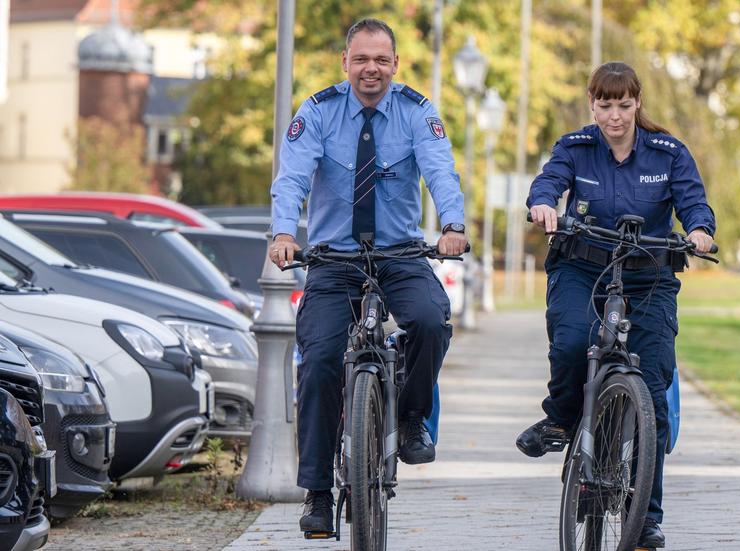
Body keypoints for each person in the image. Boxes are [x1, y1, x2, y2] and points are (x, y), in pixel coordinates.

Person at [268, 18, 468, 535]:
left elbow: (441, 172)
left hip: (399, 254)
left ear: (396, 64)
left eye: (381, 59)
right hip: (334, 260)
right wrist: (283, 233)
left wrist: (452, 225)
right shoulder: (318, 112)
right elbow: (291, 178)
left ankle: (410, 418)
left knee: (429, 320)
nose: (371, 69)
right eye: (361, 59)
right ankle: (316, 492)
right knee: (317, 364)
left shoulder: (417, 111)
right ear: (345, 62)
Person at [517, 61, 715, 548]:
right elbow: (548, 181)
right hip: (582, 267)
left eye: (624, 105)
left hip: (649, 275)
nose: (615, 116)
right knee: (569, 343)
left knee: (652, 391)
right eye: (605, 105)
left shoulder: (668, 154)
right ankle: (562, 418)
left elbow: (693, 202)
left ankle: (645, 515)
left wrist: (699, 231)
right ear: (592, 104)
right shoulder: (576, 148)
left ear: (637, 103)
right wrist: (543, 203)